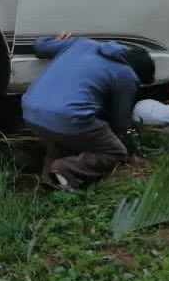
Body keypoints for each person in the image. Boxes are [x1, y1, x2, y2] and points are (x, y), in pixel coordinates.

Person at [20, 31, 154, 191]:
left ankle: (50, 181)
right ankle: (64, 169)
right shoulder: (127, 75)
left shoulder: (80, 43)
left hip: (30, 111)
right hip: (68, 118)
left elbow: (39, 46)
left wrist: (55, 39)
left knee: (65, 139)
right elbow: (120, 124)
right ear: (138, 73)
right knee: (115, 152)